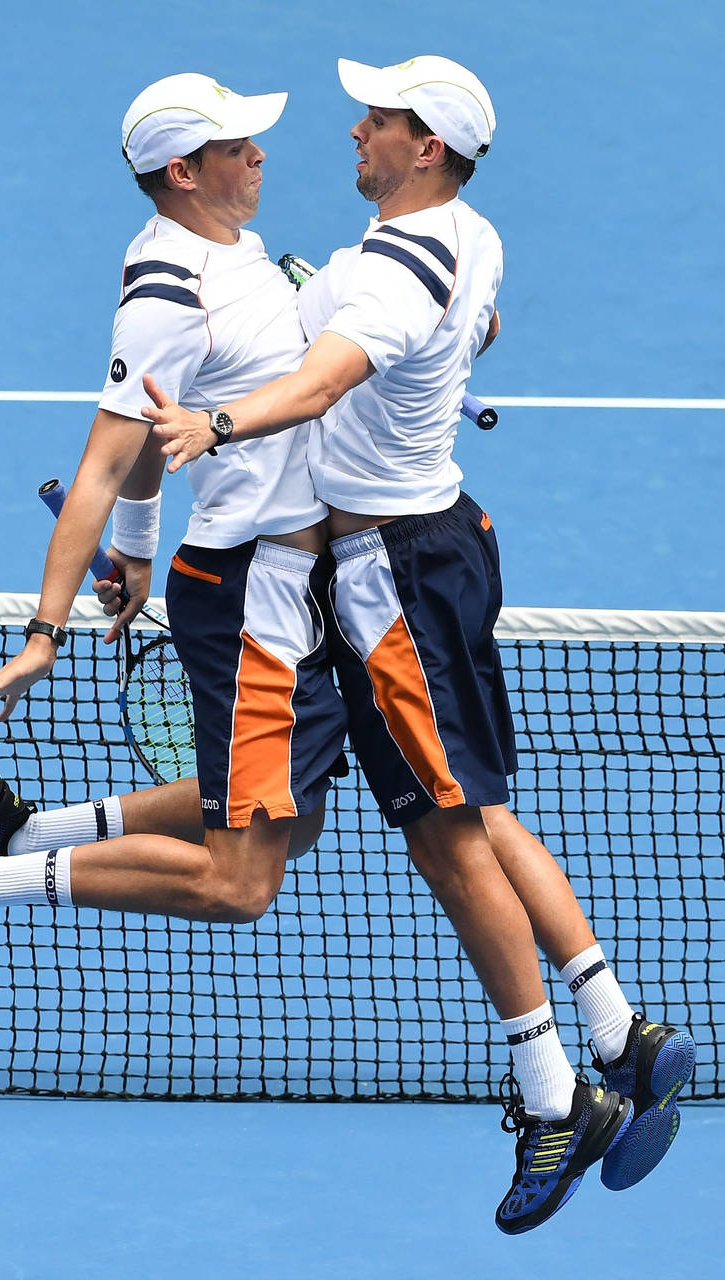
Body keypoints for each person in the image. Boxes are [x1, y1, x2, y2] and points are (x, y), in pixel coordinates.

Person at [144, 55, 696, 1234]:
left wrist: (218, 418)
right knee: (481, 809)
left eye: (379, 119)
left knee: (448, 836)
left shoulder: (387, 276)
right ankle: (618, 1029)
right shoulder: (464, 234)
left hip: (388, 578)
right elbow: (479, 317)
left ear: (426, 146)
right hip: (446, 544)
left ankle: (559, 1093)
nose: (355, 127)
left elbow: (326, 376)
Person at [0, 72, 348, 970]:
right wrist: (45, 634)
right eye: (237, 147)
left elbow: (163, 421)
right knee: (241, 882)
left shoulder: (231, 250)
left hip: (286, 588)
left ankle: (16, 828)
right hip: (251, 606)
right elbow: (102, 465)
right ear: (184, 172)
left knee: (294, 819)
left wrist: (141, 551)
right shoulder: (167, 292)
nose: (261, 154)